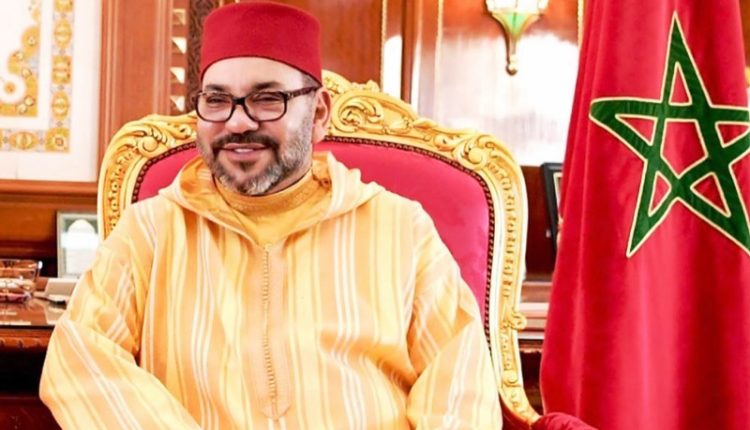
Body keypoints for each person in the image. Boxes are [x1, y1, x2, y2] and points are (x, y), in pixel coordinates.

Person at [39, 1, 502, 428]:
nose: (238, 121)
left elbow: (459, 390)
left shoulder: (401, 230)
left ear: (318, 113)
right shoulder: (151, 232)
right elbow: (80, 358)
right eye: (217, 100)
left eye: (267, 99)